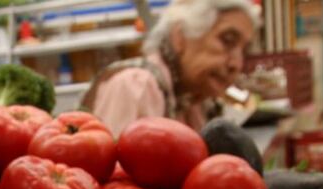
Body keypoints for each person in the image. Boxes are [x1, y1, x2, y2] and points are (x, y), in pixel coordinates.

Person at [80, 0, 261, 136]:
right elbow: (117, 182)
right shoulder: (136, 87)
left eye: (244, 50)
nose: (236, 64)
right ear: (179, 37)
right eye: (227, 40)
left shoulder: (195, 102)